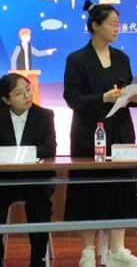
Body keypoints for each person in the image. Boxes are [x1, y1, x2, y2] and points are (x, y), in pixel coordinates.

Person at [63, 0, 137, 267]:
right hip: (90, 133)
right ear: (95, 26)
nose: (117, 28)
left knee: (121, 188)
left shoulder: (122, 58)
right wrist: (102, 98)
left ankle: (116, 251)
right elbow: (72, 98)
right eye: (112, 24)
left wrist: (134, 97)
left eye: (118, 24)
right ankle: (88, 250)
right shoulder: (77, 59)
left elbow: (125, 92)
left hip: (120, 132)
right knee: (89, 189)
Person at [0, 73, 56, 267]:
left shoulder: (45, 115)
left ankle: (38, 260)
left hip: (35, 179)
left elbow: (49, 149)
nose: (27, 96)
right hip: (3, 180)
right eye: (19, 93)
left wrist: (18, 153)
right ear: (6, 100)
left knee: (39, 206)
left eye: (28, 90)